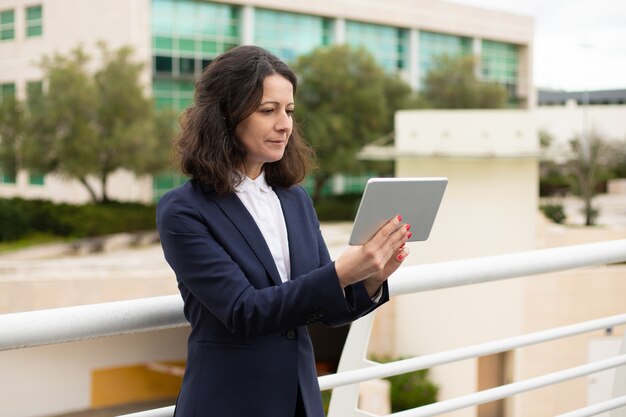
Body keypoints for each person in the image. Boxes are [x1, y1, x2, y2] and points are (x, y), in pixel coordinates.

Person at [156, 45, 411, 417]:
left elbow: (324, 307)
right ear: (225, 115)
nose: (285, 124)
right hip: (228, 403)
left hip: (300, 402)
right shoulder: (184, 210)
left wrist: (371, 277)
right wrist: (342, 271)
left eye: (289, 110)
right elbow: (245, 312)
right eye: (268, 110)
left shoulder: (295, 200)